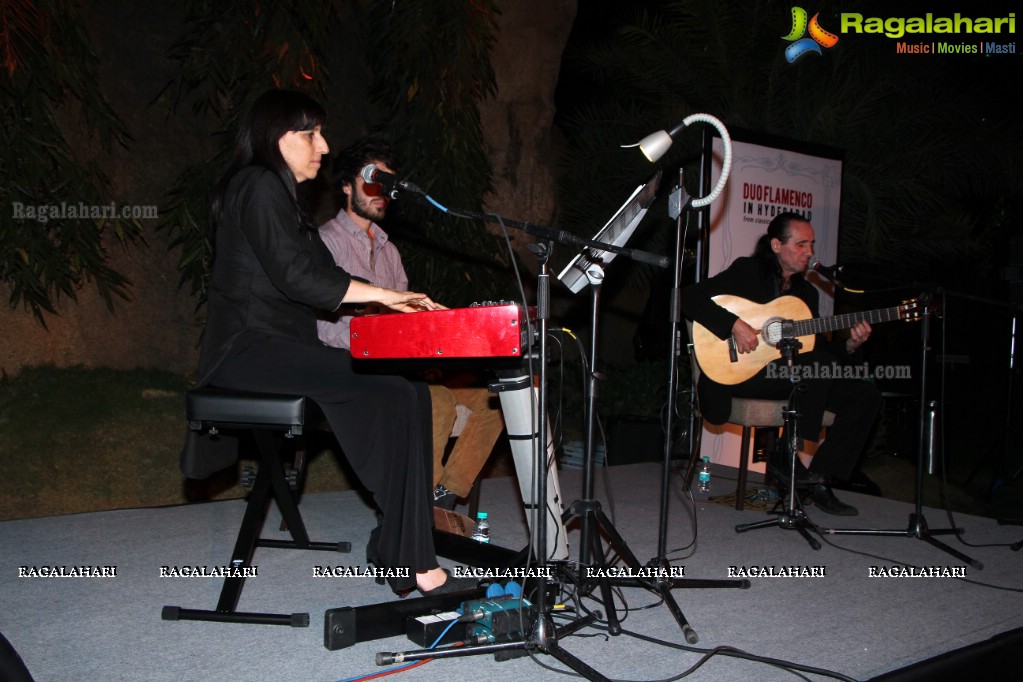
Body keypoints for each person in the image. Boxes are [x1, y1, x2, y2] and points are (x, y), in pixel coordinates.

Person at [180, 89, 467, 595]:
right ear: (277, 137)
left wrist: (403, 308)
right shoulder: (257, 184)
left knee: (409, 390)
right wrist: (383, 295)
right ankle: (414, 559)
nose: (324, 146)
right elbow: (297, 277)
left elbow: (325, 273)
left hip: (279, 350)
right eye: (311, 134)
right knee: (397, 392)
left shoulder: (282, 197)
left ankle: (399, 546)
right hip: (245, 352)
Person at [317, 138, 504, 509]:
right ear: (345, 185)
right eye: (373, 180)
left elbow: (409, 324)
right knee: (434, 402)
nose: (382, 192)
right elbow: (324, 329)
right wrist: (383, 345)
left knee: (495, 401)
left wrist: (434, 347)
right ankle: (415, 511)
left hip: (402, 370)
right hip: (351, 370)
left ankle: (442, 499)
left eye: (388, 183)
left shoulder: (389, 249)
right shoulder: (326, 242)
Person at [681, 212, 881, 515]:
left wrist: (851, 345)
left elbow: (819, 348)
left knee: (864, 395)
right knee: (816, 366)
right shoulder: (747, 272)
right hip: (742, 372)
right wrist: (733, 323)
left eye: (811, 244)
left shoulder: (807, 294)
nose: (810, 252)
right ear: (776, 245)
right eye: (801, 244)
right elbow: (687, 297)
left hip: (790, 378)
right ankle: (787, 460)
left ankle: (817, 479)